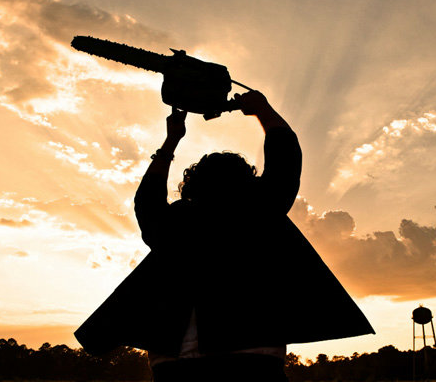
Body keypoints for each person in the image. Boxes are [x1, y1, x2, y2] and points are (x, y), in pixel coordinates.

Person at [74, 91, 374, 382]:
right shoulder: (259, 210)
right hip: (253, 352)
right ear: (248, 182)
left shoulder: (177, 222)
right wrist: (262, 109)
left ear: (193, 187)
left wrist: (171, 139)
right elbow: (286, 158)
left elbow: (147, 200)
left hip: (174, 361)